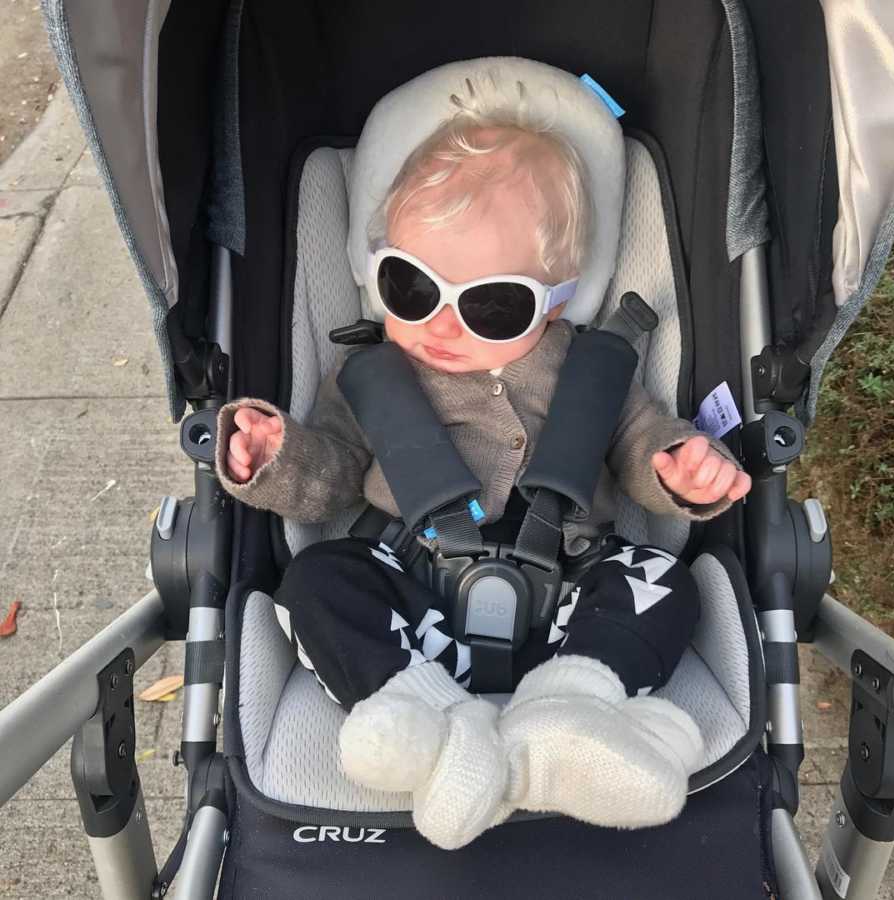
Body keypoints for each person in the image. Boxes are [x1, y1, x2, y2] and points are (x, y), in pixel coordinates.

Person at [214, 79, 751, 850]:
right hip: (410, 597)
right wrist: (275, 457)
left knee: (664, 584)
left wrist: (677, 467)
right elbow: (329, 475)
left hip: (567, 603)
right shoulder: (370, 377)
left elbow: (638, 439)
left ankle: (572, 710)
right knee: (315, 585)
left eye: (491, 305)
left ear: (557, 304)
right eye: (411, 285)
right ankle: (436, 727)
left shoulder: (587, 371)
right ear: (378, 273)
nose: (438, 322)